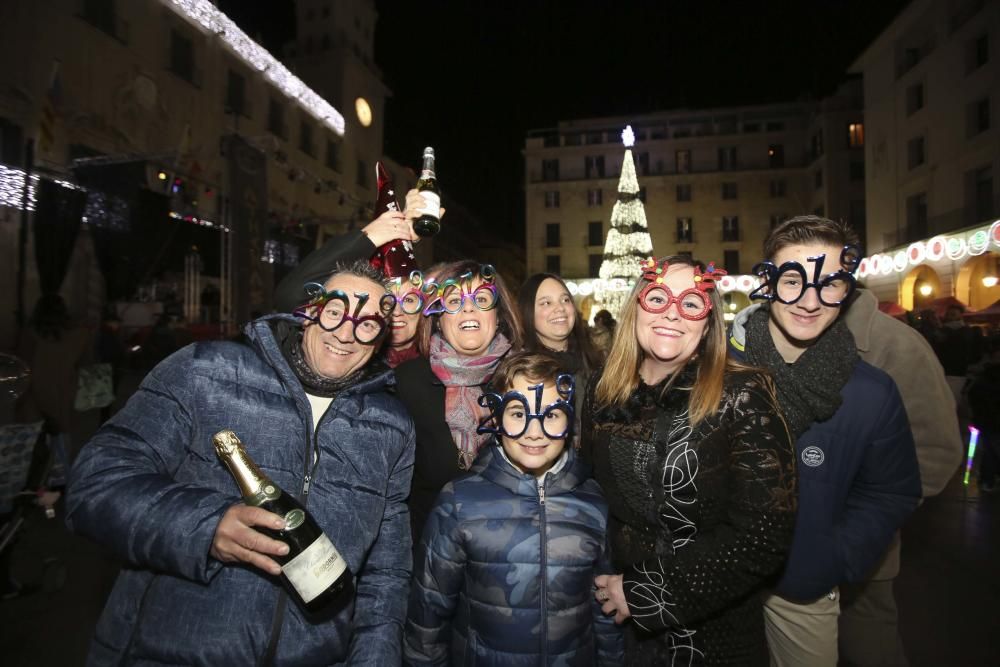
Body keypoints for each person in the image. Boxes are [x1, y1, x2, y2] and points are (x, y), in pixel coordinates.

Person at [65, 260, 415, 665]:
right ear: (308, 313)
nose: (346, 333)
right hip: (171, 650)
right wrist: (206, 525)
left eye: (367, 323)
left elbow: (386, 573)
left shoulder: (392, 427)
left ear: (379, 339)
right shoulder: (206, 372)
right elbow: (93, 482)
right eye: (335, 311)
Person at [584, 256, 798, 665]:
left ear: (708, 320)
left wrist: (649, 592)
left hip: (713, 631)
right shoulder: (602, 388)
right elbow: (590, 488)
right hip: (616, 621)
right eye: (659, 297)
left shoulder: (742, 394)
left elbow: (766, 535)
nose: (671, 314)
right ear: (637, 306)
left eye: (691, 304)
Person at [728, 215, 922, 667]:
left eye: (830, 284)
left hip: (803, 592)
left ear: (847, 290)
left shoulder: (870, 392)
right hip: (715, 579)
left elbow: (891, 491)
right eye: (793, 280)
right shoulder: (719, 372)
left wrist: (832, 557)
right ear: (768, 282)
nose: (810, 301)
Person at [404, 352, 624, 665]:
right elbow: (427, 618)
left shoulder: (592, 502)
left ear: (569, 420)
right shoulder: (459, 503)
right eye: (519, 414)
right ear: (496, 417)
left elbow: (605, 610)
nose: (535, 432)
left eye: (551, 415)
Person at [838, 275, 963, 665]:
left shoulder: (899, 346)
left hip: (861, 553)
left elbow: (935, 452)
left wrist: (863, 519)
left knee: (866, 645)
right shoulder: (777, 334)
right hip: (780, 550)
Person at [394, 259, 523, 543]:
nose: (468, 307)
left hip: (513, 551)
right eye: (453, 300)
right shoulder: (406, 384)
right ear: (438, 318)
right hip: (431, 555)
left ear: (498, 315)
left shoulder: (524, 380)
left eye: (481, 298)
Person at [274, 189, 430, 367]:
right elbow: (291, 296)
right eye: (388, 302)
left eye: (409, 299)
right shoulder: (349, 359)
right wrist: (371, 236)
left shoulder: (437, 366)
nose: (396, 311)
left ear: (426, 305)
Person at [518, 272, 602, 444]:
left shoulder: (595, 360)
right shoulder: (520, 371)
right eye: (546, 303)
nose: (560, 308)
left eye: (565, 300)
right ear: (527, 312)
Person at [15, 293, 93, 469]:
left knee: (33, 439)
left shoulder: (31, 333)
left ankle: (35, 482)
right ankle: (59, 479)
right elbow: (86, 361)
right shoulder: (78, 335)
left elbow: (22, 364)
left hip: (34, 391)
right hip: (64, 390)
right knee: (62, 436)